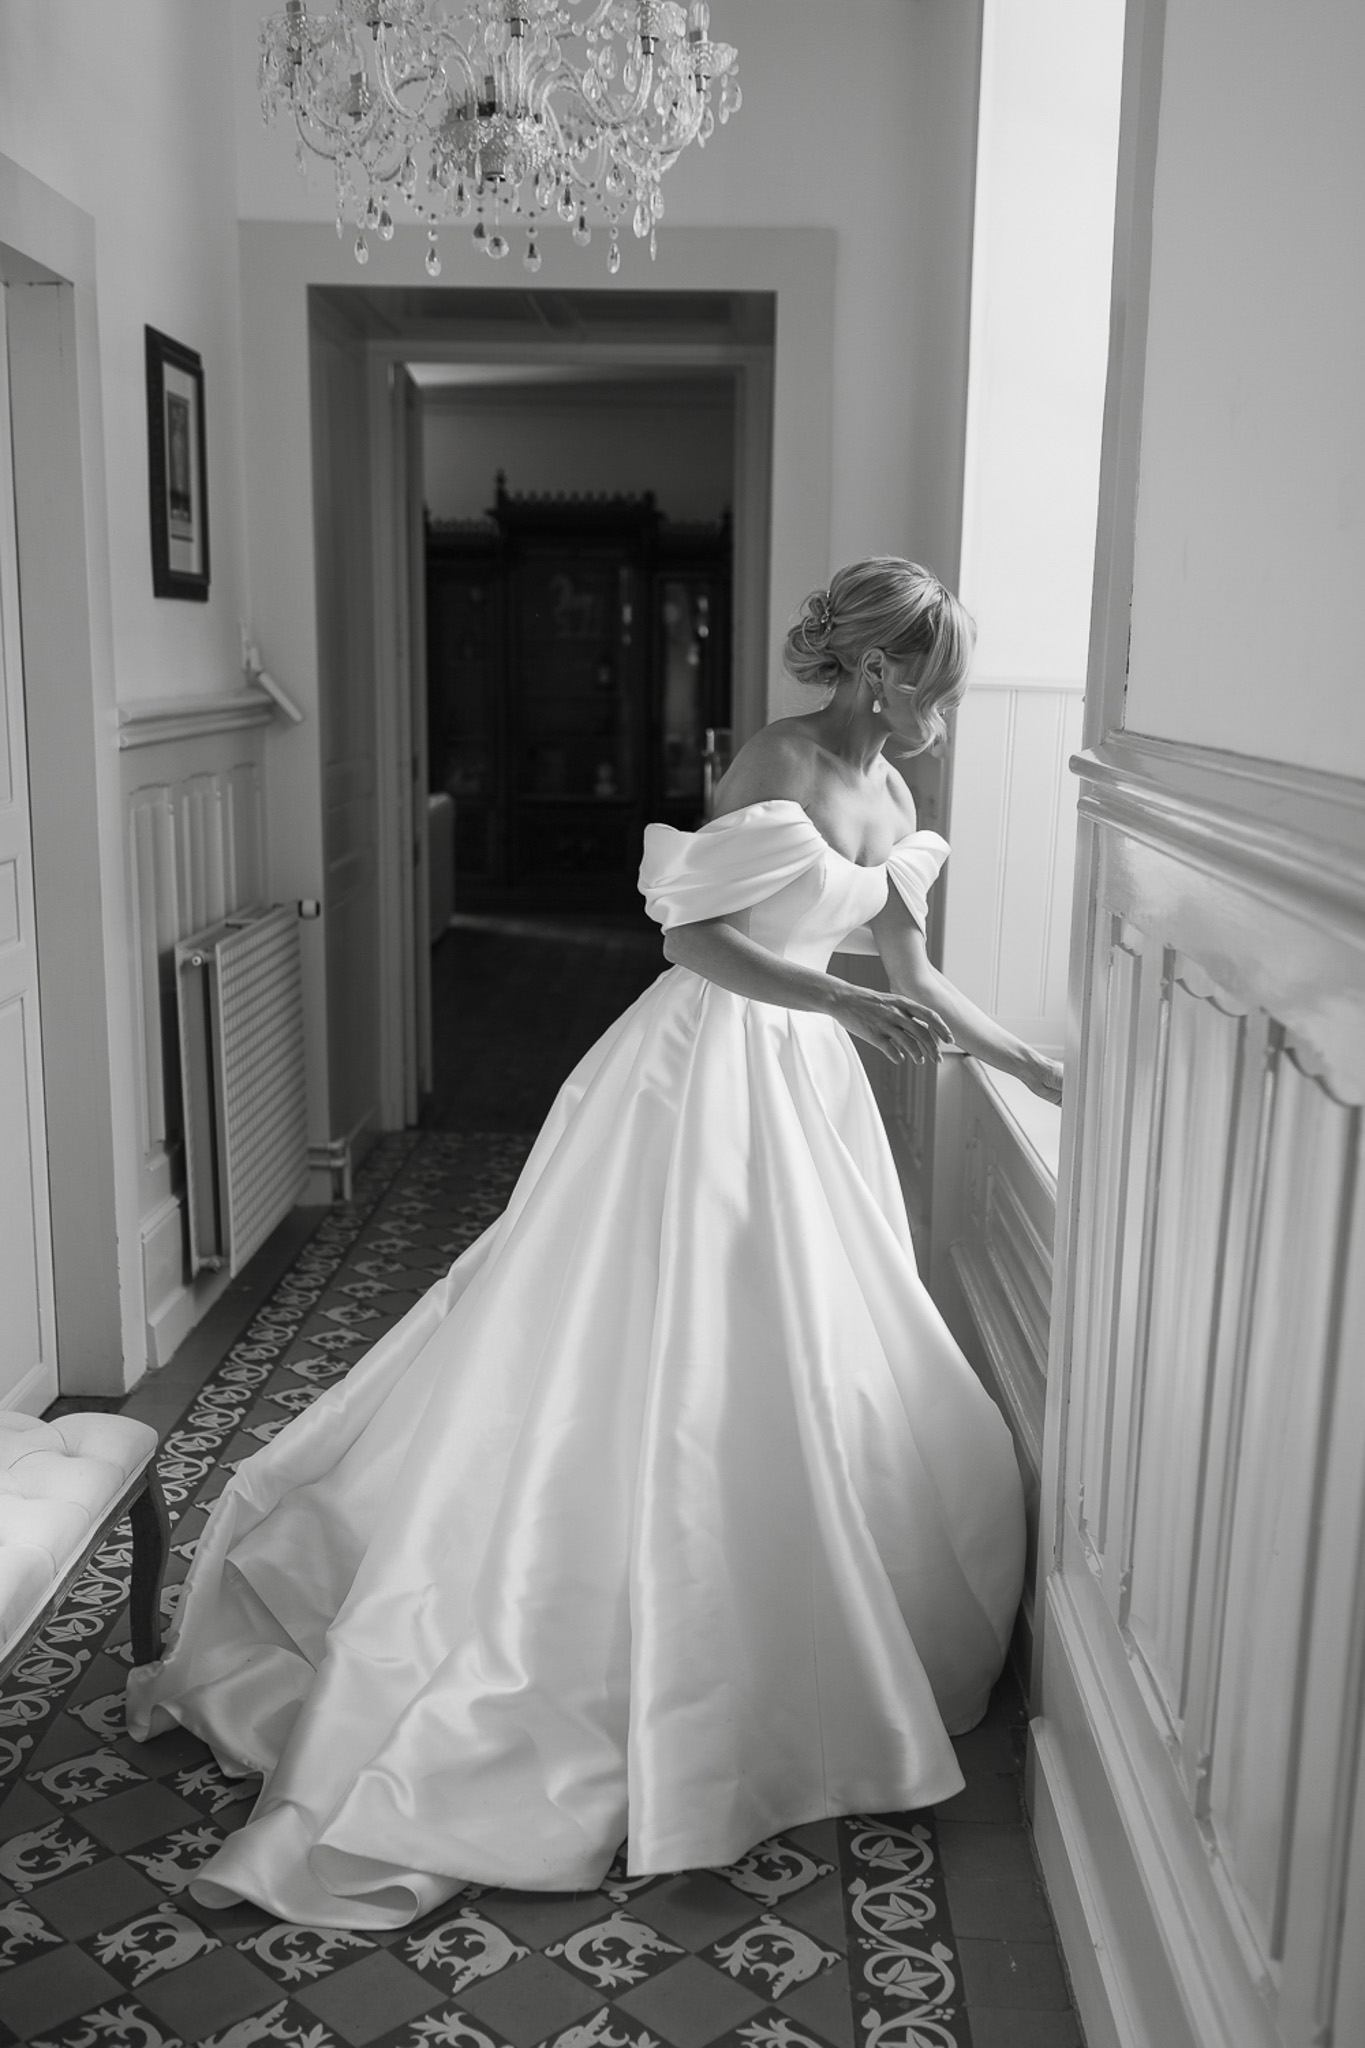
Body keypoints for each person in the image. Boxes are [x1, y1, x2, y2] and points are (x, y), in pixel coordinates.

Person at [127, 556, 1060, 1931]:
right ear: (877, 671)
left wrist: (1019, 1055)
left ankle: (777, 1635)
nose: (947, 706)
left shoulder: (900, 794)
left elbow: (912, 974)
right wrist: (840, 1010)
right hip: (704, 1079)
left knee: (803, 1350)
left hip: (805, 1095)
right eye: (938, 679)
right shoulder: (777, 764)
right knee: (652, 1341)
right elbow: (696, 946)